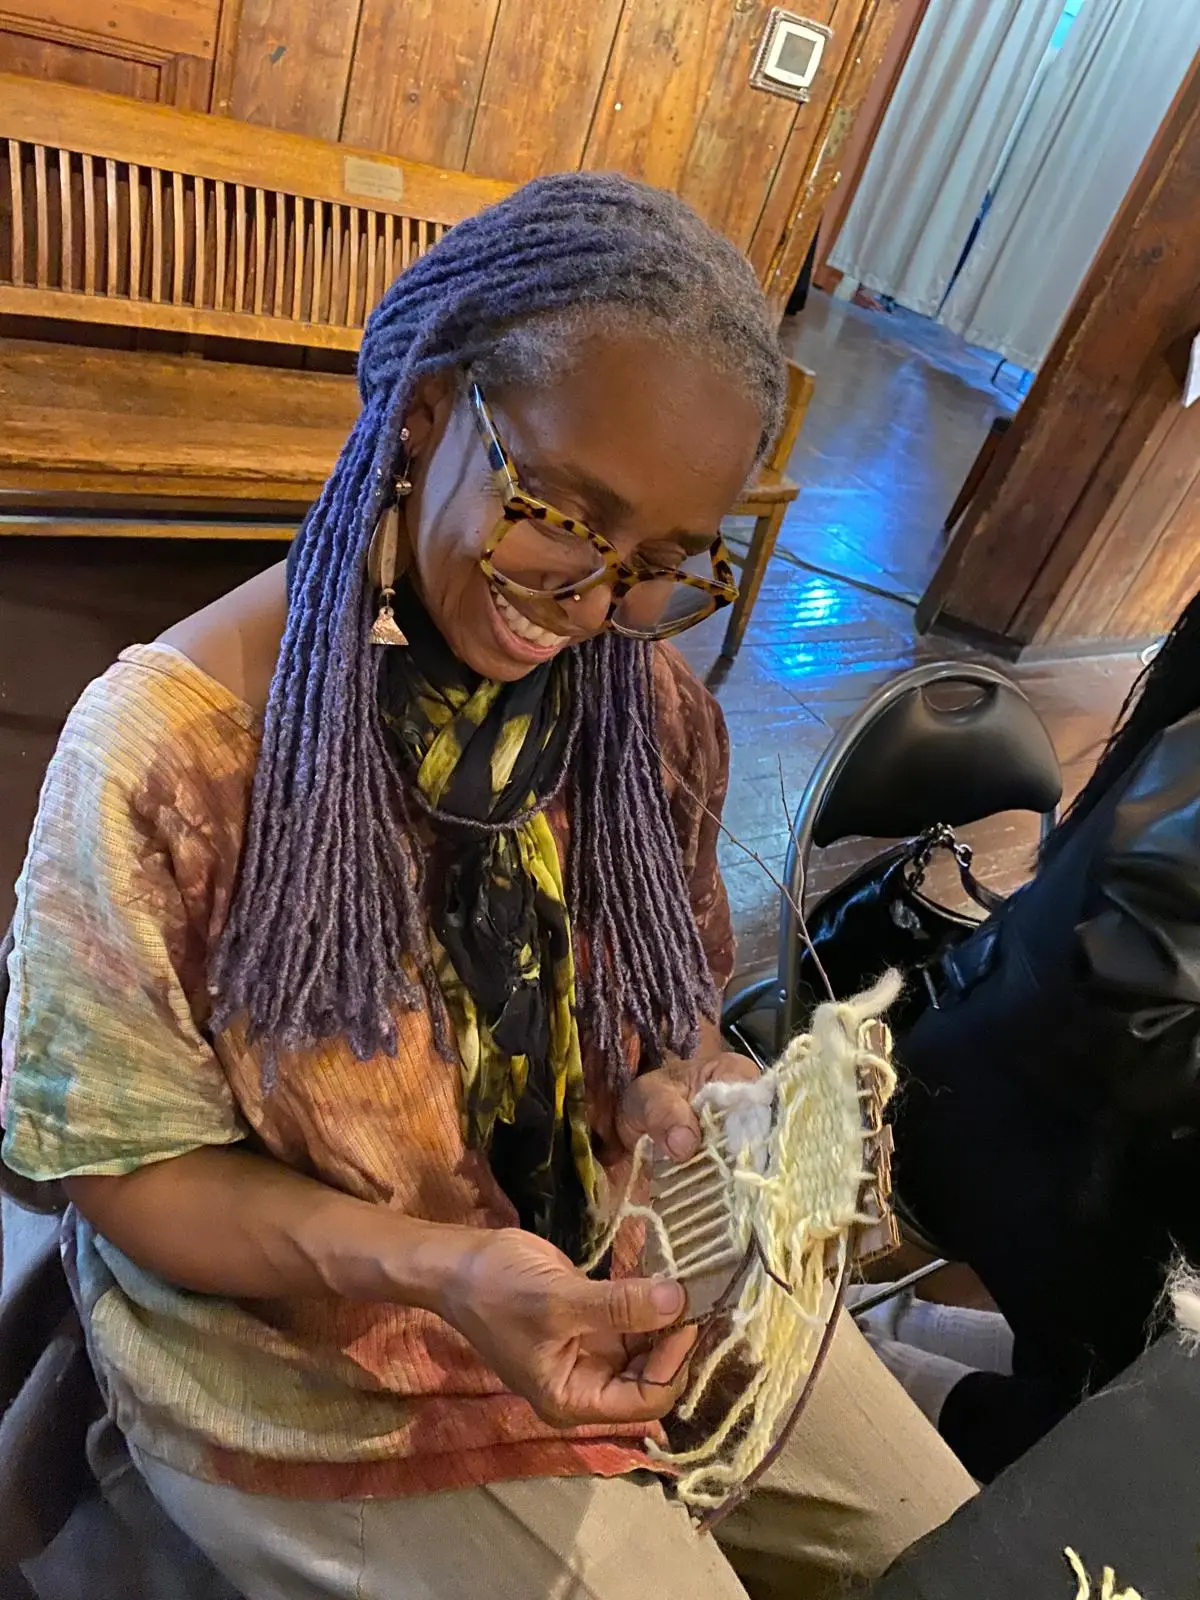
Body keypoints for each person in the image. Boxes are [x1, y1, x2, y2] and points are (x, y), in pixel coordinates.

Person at [0, 173, 974, 1600]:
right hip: (311, 1361)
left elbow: (666, 1023)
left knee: (946, 1542)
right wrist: (446, 1272)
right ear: (425, 405)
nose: (592, 606)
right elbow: (122, 1173)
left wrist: (700, 1100)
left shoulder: (642, 705)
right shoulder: (172, 757)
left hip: (591, 1251)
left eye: (661, 565)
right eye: (564, 515)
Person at [888, 590, 1200, 1482]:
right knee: (1138, 1431)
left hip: (1077, 1110)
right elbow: (1137, 1016)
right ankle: (872, 1372)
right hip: (1005, 1108)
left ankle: (892, 1334)